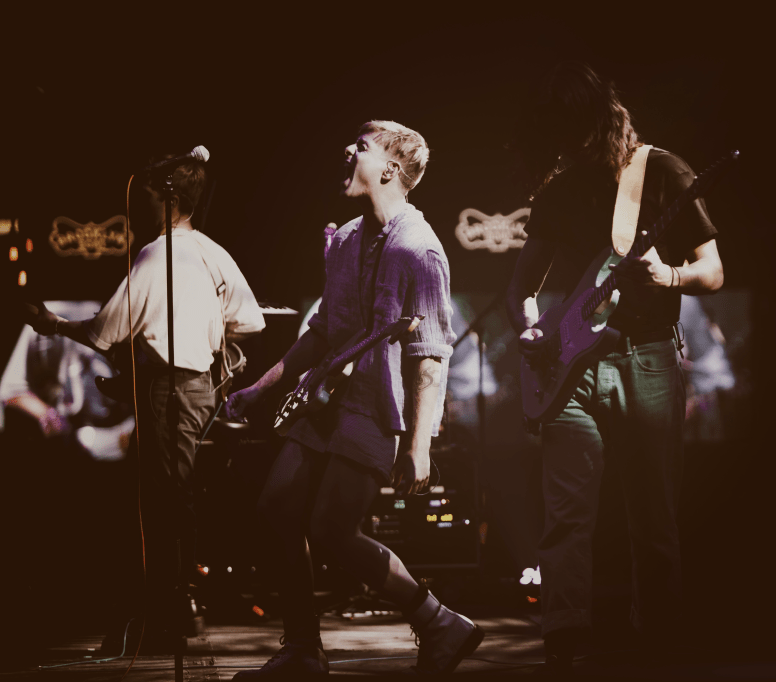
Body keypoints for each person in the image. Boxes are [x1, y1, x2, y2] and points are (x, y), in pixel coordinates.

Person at [225, 121, 482, 679]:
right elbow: (322, 331)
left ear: (389, 169)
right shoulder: (343, 239)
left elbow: (430, 357)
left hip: (373, 408)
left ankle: (439, 621)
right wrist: (258, 390)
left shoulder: (420, 249)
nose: (347, 150)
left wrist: (418, 446)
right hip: (322, 401)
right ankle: (302, 649)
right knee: (276, 508)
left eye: (361, 147)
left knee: (332, 530)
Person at [505, 62, 725, 672]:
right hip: (570, 372)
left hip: (646, 359)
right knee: (565, 517)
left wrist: (669, 275)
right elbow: (521, 289)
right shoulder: (558, 189)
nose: (565, 145)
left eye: (572, 128)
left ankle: (657, 642)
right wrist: (530, 328)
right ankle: (563, 642)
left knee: (653, 517)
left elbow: (713, 271)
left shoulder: (663, 171)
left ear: (598, 118)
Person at [26, 157, 266, 651]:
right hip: (196, 389)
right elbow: (251, 321)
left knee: (164, 502)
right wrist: (217, 349)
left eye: (148, 198)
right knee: (169, 496)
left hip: (168, 391)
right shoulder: (212, 252)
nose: (139, 207)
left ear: (170, 199)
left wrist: (55, 324)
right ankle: (164, 608)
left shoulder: (157, 255)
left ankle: (169, 613)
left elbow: (103, 331)